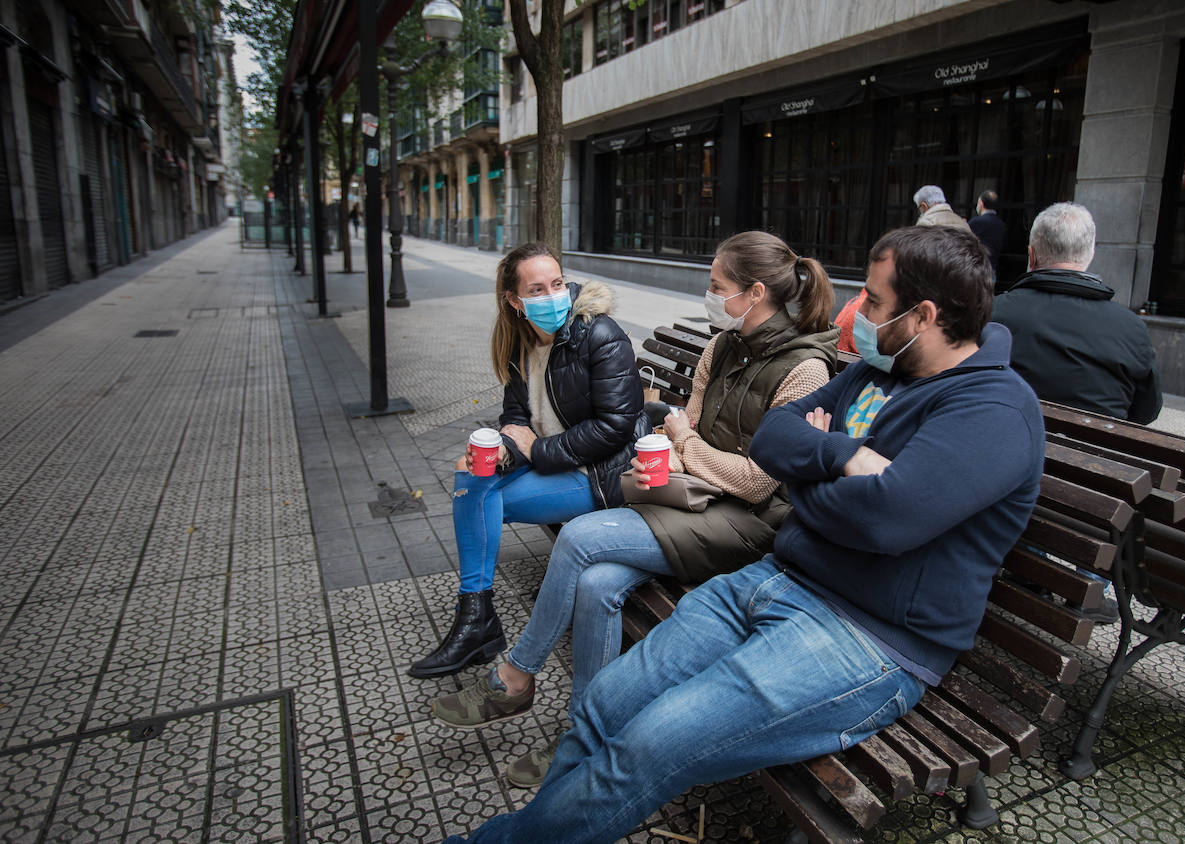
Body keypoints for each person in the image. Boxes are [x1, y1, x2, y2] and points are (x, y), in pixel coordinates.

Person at [438, 224, 1045, 844]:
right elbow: (778, 439)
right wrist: (841, 457)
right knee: (606, 705)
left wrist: (809, 476)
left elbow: (882, 520)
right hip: (774, 580)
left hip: (867, 637)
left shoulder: (991, 410)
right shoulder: (874, 372)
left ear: (924, 315)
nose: (857, 312)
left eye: (874, 299)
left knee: (649, 743)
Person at [430, 231, 839, 788]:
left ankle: (515, 676)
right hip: (688, 495)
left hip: (750, 525)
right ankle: (583, 737)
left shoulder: (806, 371)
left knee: (580, 540)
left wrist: (685, 448)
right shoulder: (720, 347)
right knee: (597, 583)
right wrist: (677, 449)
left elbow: (754, 483)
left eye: (716, 285)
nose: (709, 294)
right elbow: (681, 429)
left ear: (755, 292)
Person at [409, 241, 647, 680]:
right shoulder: (521, 342)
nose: (552, 295)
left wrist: (532, 449)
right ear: (514, 301)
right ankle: (476, 613)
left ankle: (477, 621)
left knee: (476, 496)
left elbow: (615, 428)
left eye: (556, 283)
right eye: (536, 290)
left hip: (601, 474)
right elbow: (517, 416)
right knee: (472, 478)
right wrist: (503, 447)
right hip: (556, 462)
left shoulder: (599, 334)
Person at [991, 202, 1163, 425]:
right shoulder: (1131, 327)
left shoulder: (993, 312)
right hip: (1093, 455)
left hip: (1011, 451)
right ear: (1090, 256)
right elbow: (1146, 411)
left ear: (1031, 256)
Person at [968, 189, 1006, 260]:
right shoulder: (1001, 224)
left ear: (981, 203)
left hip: (977, 265)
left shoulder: (976, 222)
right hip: (993, 266)